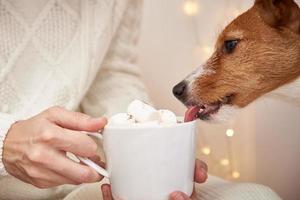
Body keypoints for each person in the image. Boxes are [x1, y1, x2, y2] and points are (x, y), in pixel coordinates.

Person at [0, 0, 281, 200]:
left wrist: (153, 145)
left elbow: (112, 71)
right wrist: (5, 142)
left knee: (260, 195)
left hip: (86, 177)